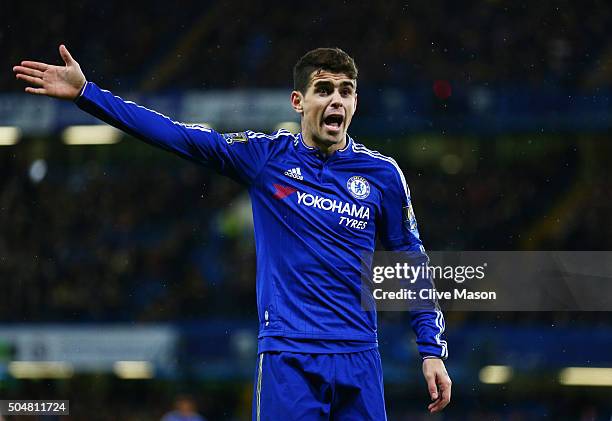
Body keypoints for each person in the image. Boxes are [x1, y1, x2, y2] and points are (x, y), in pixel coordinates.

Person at [14, 45, 452, 420]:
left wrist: (431, 349)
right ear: (298, 101)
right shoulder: (265, 159)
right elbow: (180, 137)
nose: (336, 100)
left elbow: (411, 260)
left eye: (346, 91)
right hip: (289, 357)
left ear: (355, 103)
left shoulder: (382, 176)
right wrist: (89, 95)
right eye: (324, 89)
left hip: (360, 356)